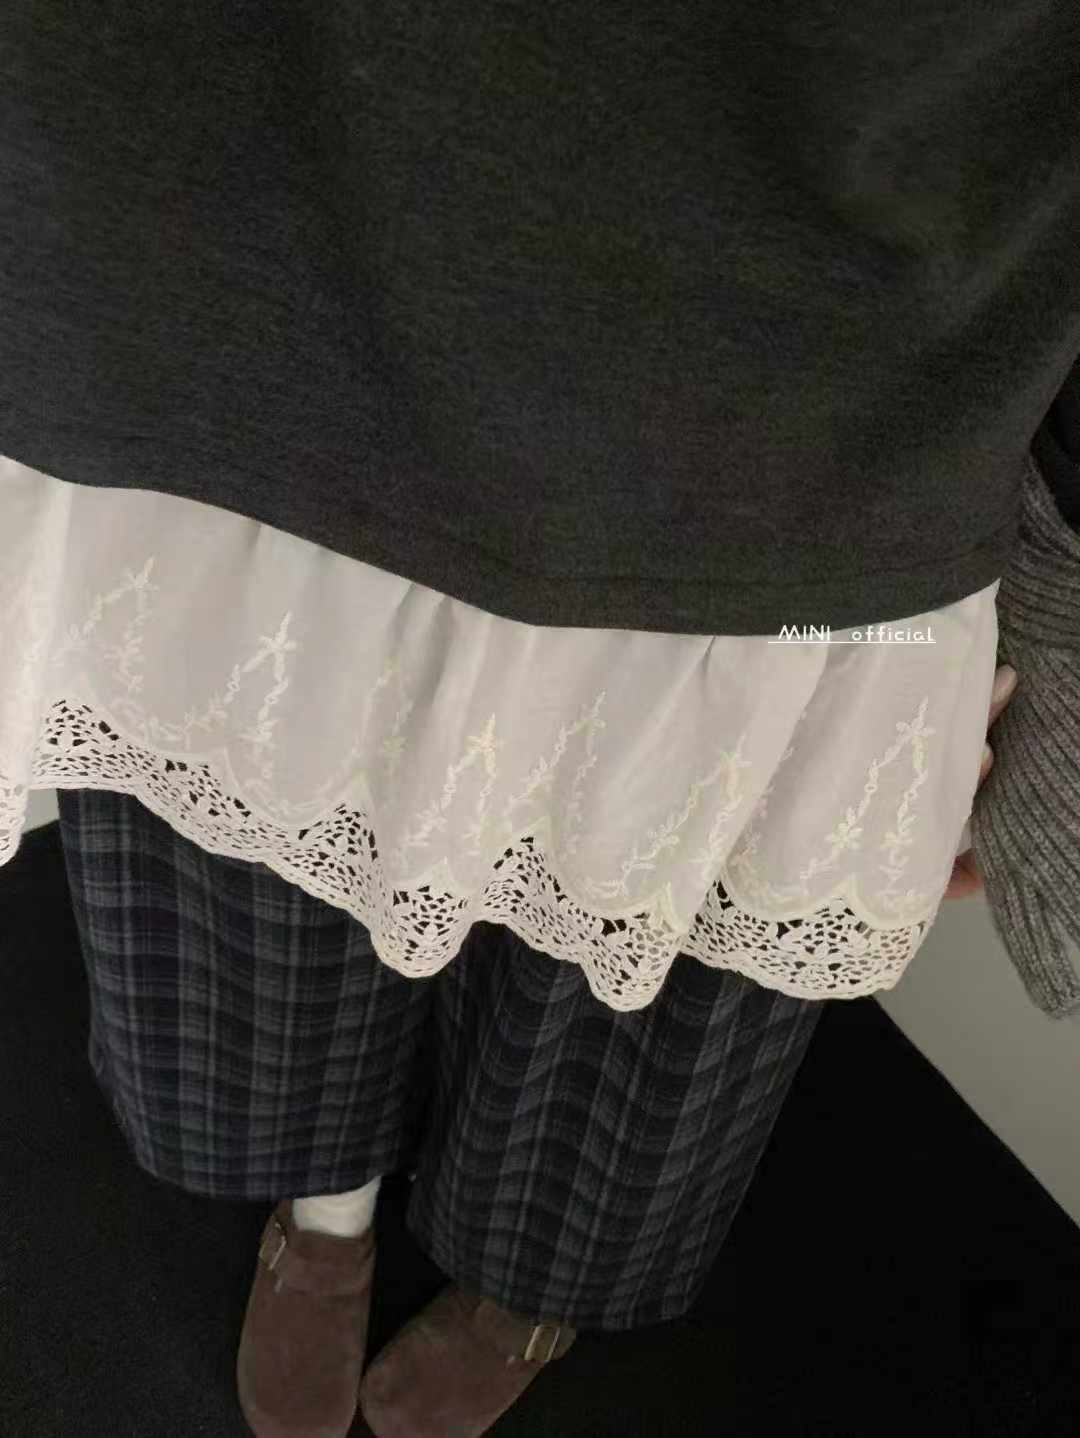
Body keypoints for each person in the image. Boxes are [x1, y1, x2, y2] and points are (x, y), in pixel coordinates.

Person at [1, 4, 1077, 1436]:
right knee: (257, 858)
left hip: (814, 407)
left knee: (667, 942)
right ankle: (325, 1206)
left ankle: (530, 1274)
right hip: (242, 282)